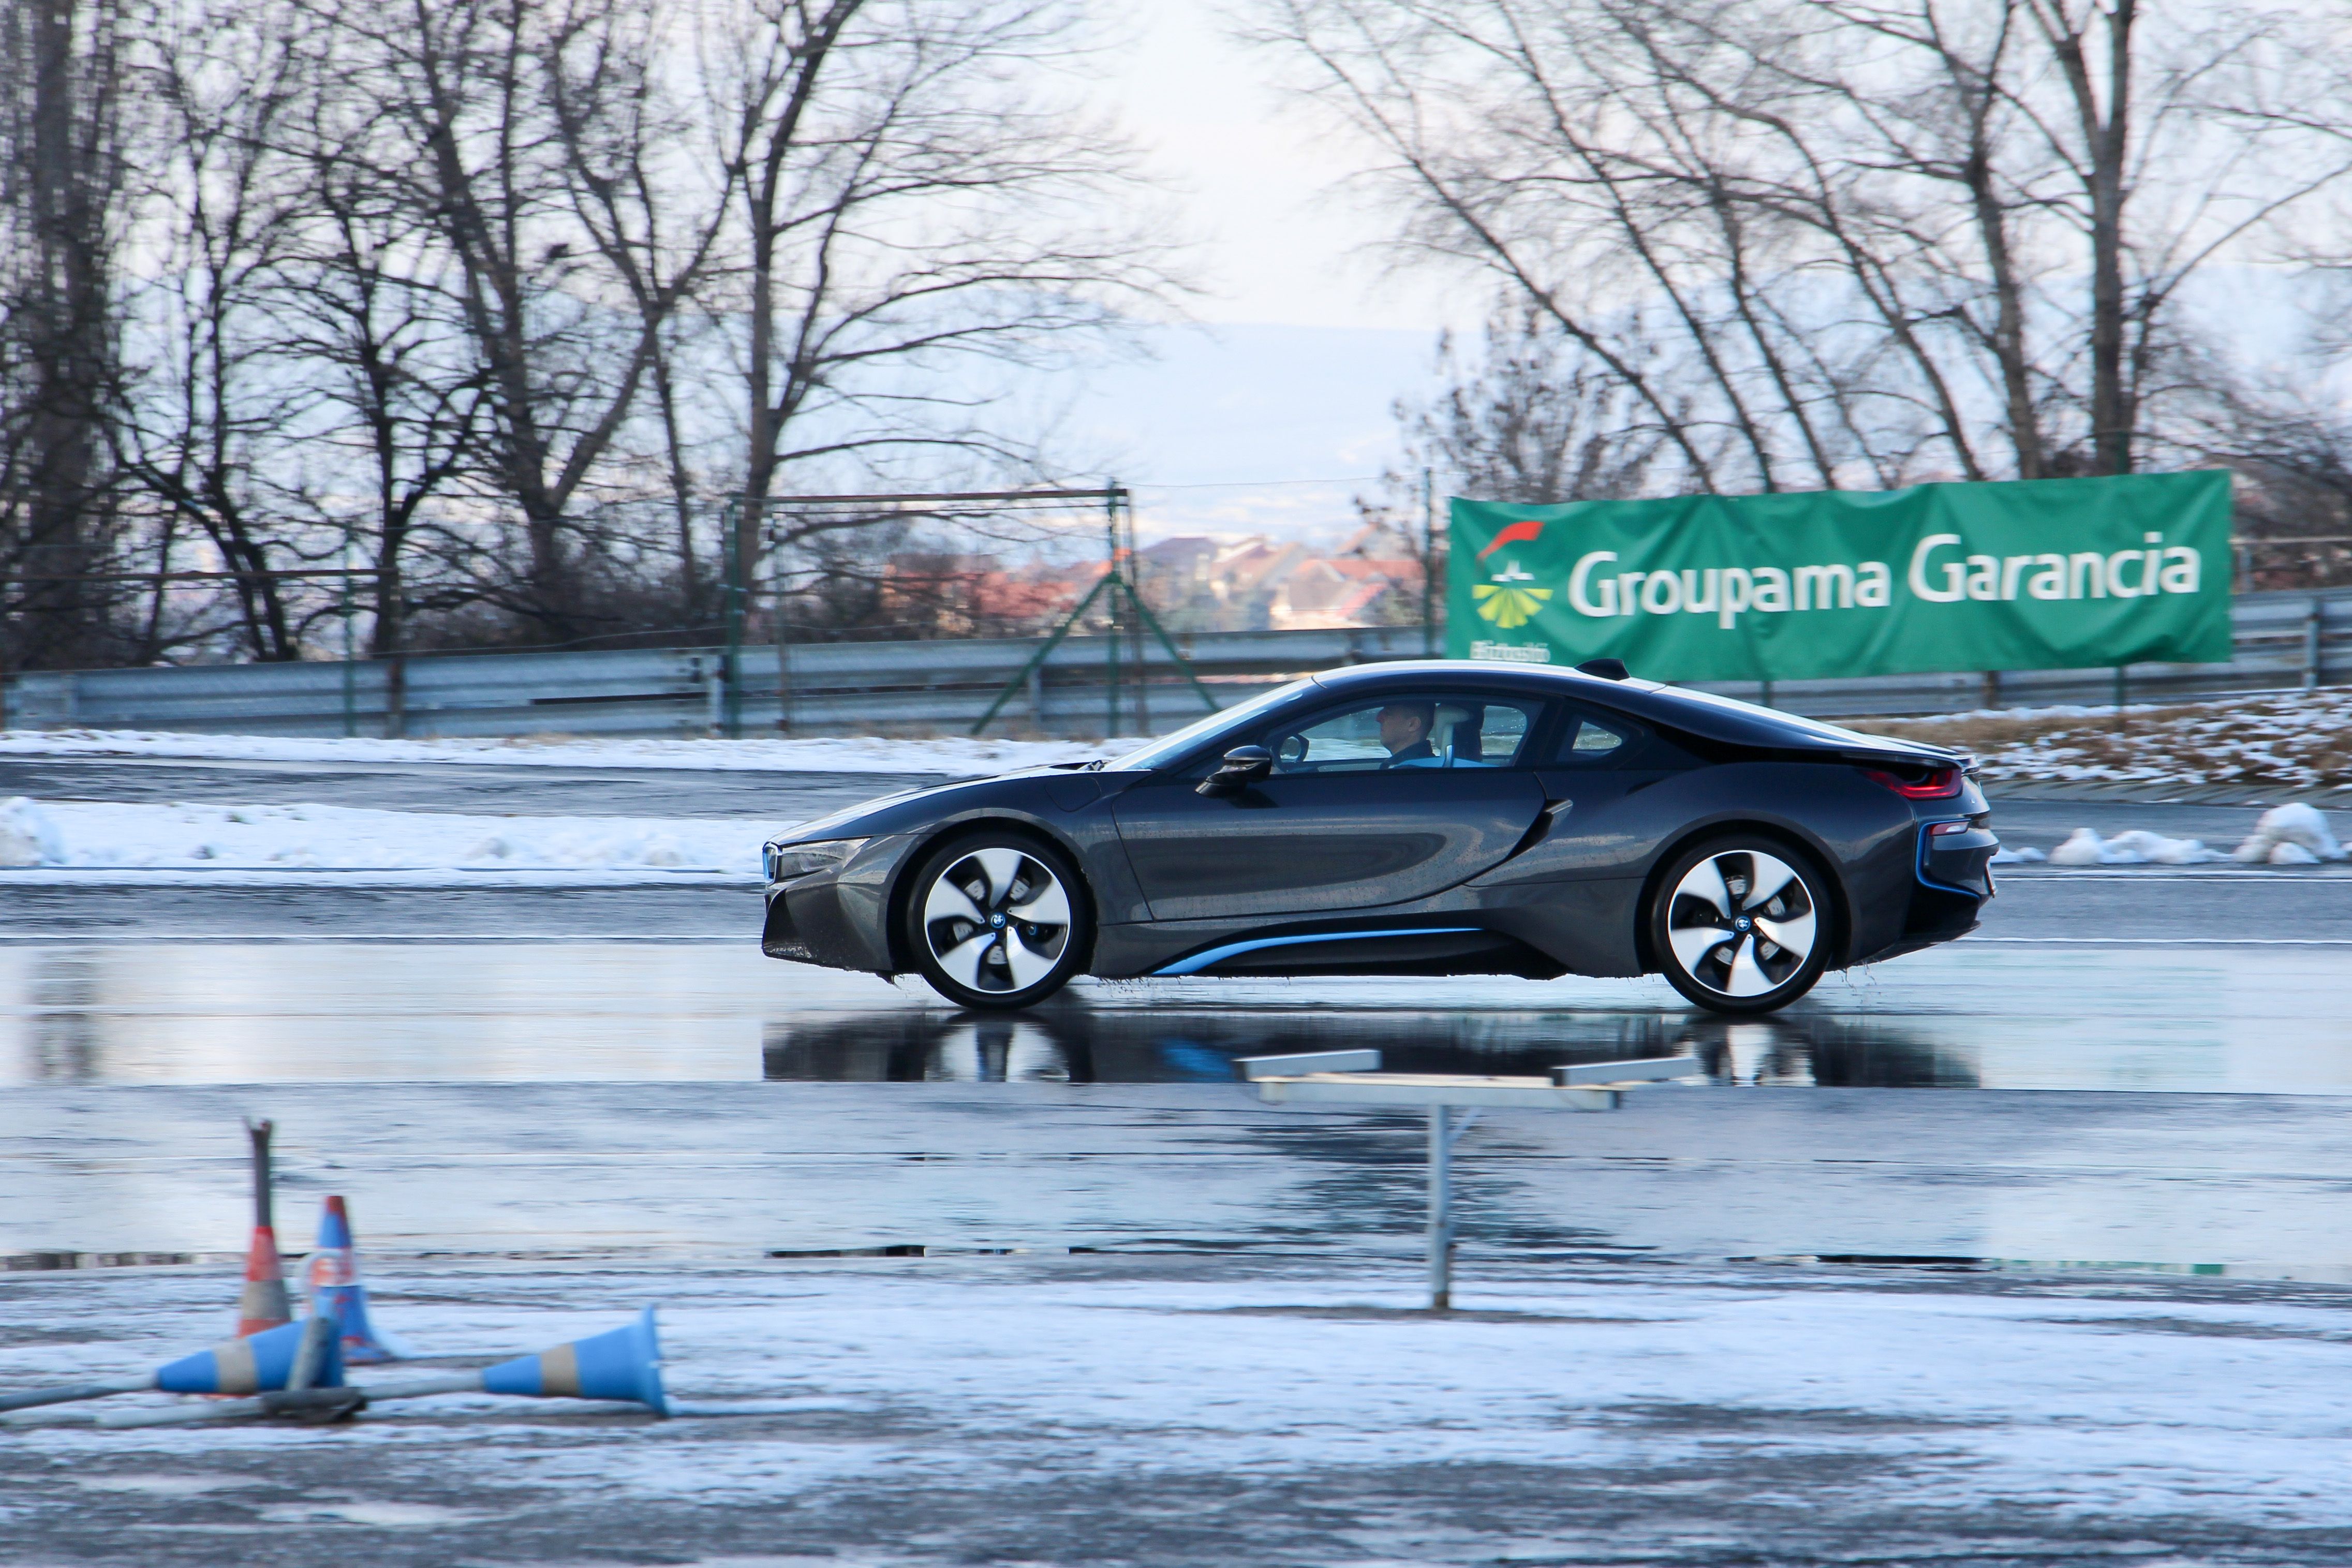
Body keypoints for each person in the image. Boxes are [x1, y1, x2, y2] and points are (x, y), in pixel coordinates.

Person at [1378, 701, 1437, 767]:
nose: (1378, 719)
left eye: (1388, 714)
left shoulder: (1409, 770)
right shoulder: (1428, 766)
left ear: (1413, 725)